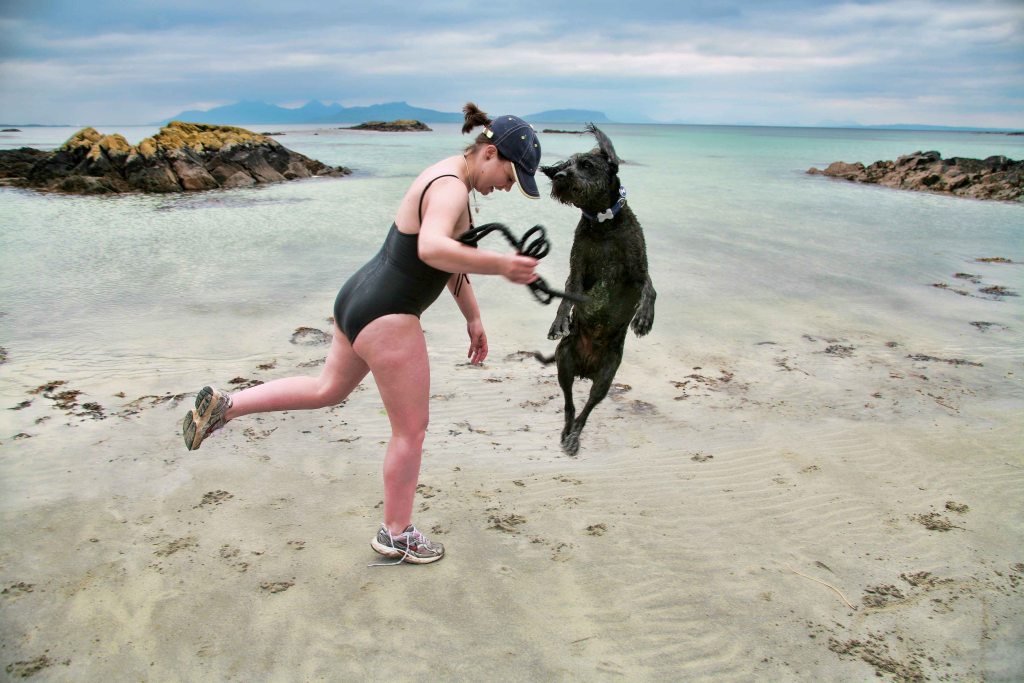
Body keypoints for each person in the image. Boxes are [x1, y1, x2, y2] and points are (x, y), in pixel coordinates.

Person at [181, 103, 542, 565]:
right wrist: (503, 265)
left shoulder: (447, 175)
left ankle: (227, 406)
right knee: (411, 431)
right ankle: (397, 533)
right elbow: (433, 248)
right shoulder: (451, 188)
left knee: (326, 389)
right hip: (389, 315)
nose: (508, 188)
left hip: (357, 298)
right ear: (490, 153)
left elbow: (449, 261)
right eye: (511, 176)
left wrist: (472, 317)